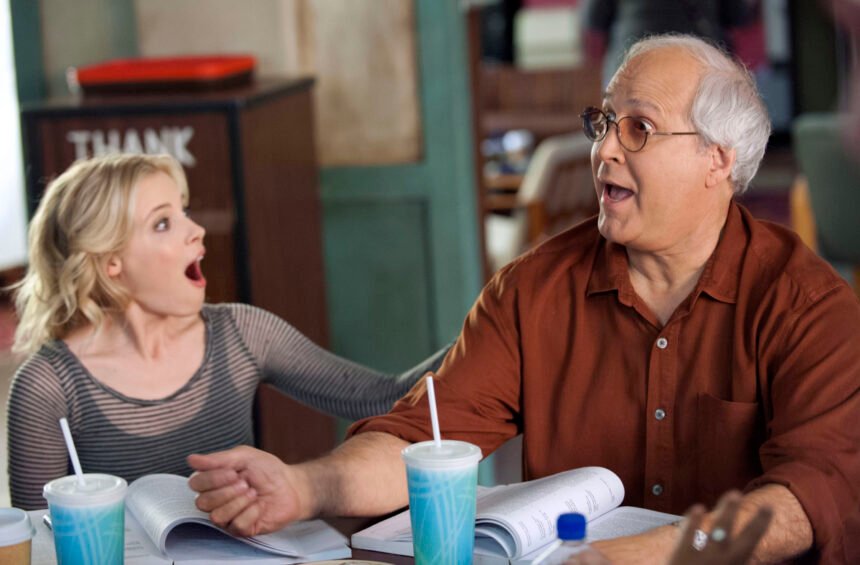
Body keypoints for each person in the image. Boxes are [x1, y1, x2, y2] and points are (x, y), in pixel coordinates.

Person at [188, 34, 860, 563]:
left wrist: (654, 553)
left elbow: (815, 493)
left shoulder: (808, 305)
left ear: (718, 159)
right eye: (605, 121)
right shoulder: (534, 288)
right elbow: (424, 439)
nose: (605, 149)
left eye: (639, 129)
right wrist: (303, 486)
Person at [5, 153, 448, 510]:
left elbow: (384, 397)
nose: (197, 230)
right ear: (110, 263)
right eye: (163, 222)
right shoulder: (47, 388)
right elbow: (35, 547)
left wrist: (484, 327)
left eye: (184, 211)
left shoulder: (242, 334)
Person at [581, 0, 756, 87]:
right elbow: (738, 16)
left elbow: (594, 20)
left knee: (631, 130)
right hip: (701, 65)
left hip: (632, 64)